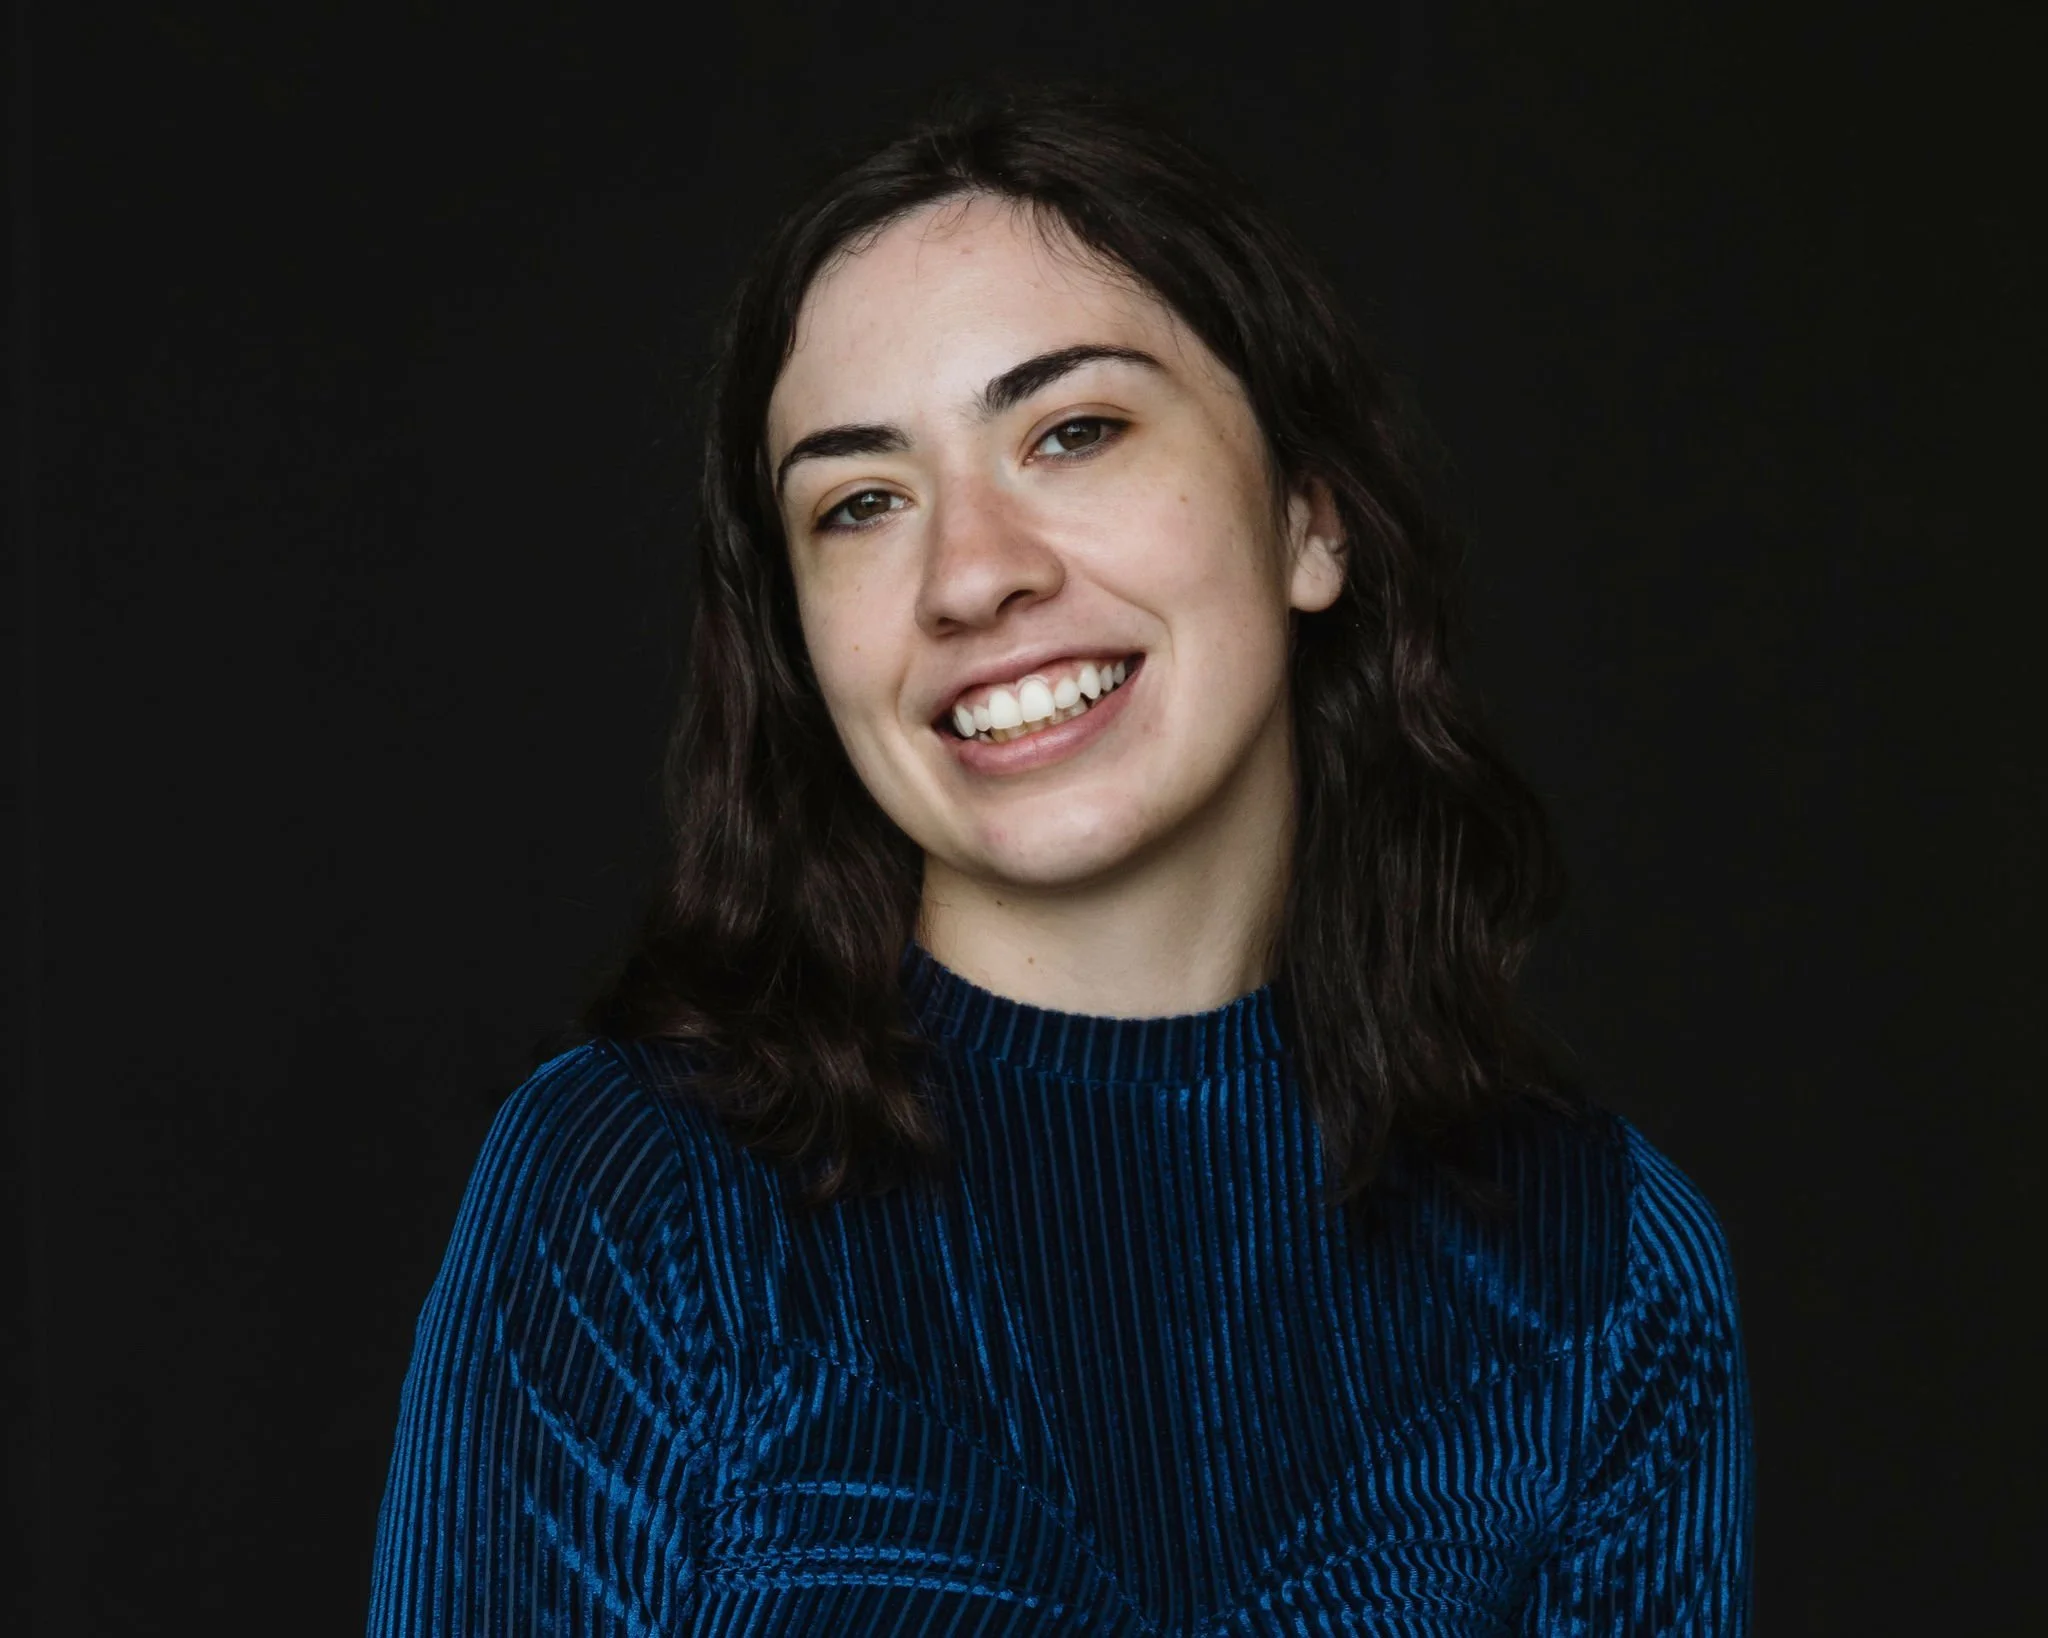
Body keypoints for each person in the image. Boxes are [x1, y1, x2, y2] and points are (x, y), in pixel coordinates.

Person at [367, 86, 1753, 1635]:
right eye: (861, 502)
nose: (971, 574)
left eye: (1073, 431)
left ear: (1312, 516)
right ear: (801, 644)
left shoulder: (1603, 1265)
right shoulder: (637, 1193)